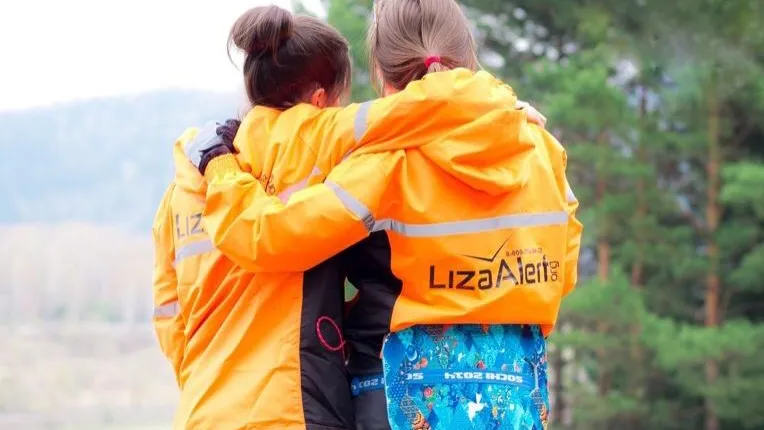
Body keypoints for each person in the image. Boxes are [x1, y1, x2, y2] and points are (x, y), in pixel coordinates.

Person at [152, 4, 547, 430]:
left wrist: (208, 385)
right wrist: (496, 110)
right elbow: (414, 113)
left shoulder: (186, 181)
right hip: (295, 411)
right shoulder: (329, 142)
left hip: (202, 411)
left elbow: (169, 316)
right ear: (322, 99)